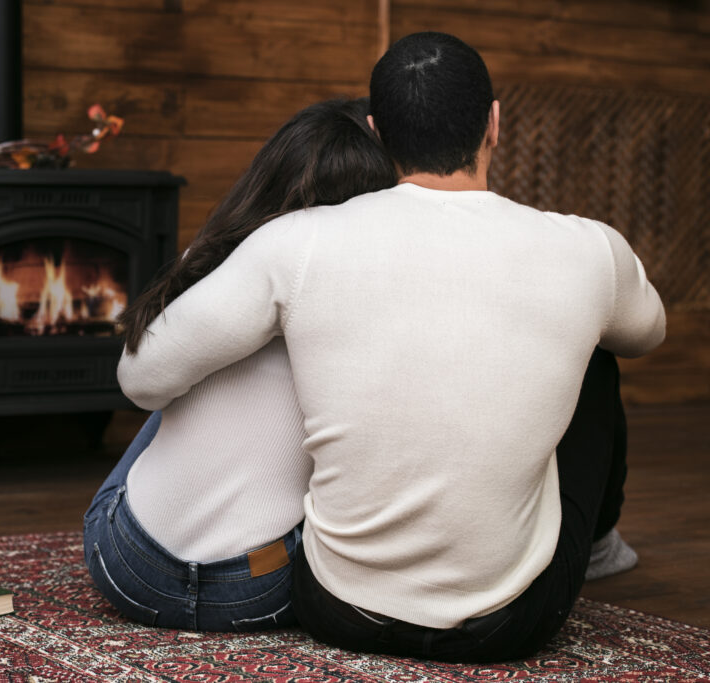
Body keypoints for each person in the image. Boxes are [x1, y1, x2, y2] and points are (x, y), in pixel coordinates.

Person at [116, 31, 665, 661]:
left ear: (377, 132)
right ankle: (597, 547)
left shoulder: (298, 239)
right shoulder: (589, 248)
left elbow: (143, 378)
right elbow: (648, 333)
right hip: (508, 624)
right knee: (598, 355)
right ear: (494, 124)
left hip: (337, 610)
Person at [83, 98, 397, 631]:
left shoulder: (216, 260)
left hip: (129, 568)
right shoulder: (380, 297)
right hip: (260, 590)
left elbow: (138, 385)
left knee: (171, 378)